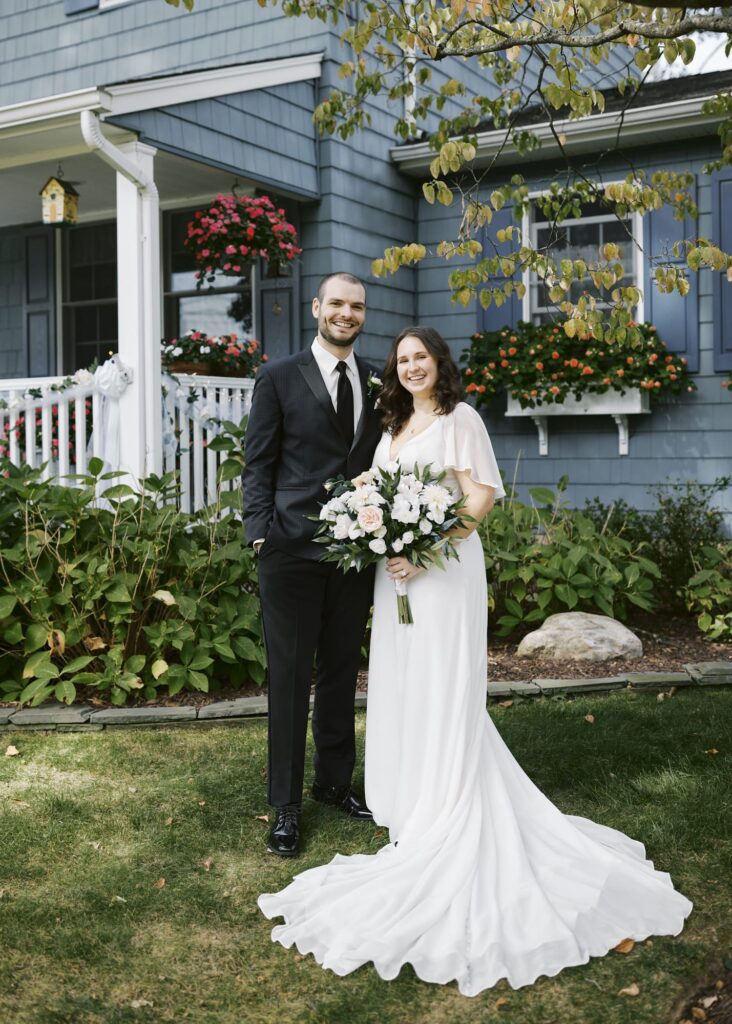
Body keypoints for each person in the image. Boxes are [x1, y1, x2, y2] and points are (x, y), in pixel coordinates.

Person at [258, 325, 692, 995]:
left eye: (421, 358)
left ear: (439, 362)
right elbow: (376, 487)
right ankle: (410, 798)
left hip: (441, 570)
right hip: (397, 576)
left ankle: (449, 800)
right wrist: (377, 527)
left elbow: (480, 496)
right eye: (402, 359)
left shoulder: (460, 418)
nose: (411, 367)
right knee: (405, 681)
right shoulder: (394, 422)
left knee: (442, 681)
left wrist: (425, 545)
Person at [243, 272, 383, 858]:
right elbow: (258, 462)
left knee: (340, 673)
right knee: (290, 678)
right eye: (337, 304)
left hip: (354, 555)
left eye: (357, 306)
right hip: (290, 551)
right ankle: (286, 805)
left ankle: (333, 783)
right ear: (317, 308)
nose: (347, 314)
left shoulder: (377, 380)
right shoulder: (278, 376)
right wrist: (260, 536)